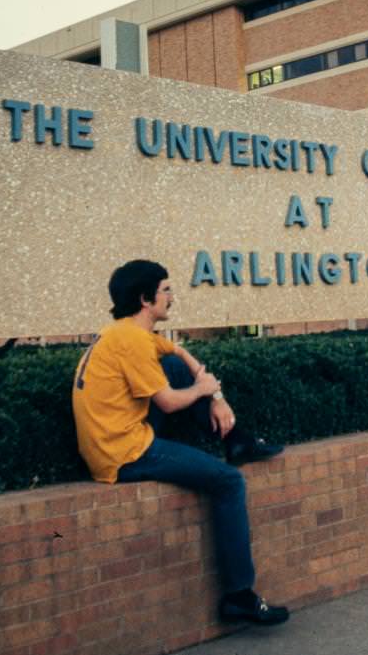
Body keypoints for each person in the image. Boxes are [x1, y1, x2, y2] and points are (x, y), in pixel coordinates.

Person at [72, 258, 288, 627]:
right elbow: (169, 403)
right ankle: (239, 596)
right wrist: (205, 389)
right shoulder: (132, 343)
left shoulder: (127, 332)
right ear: (146, 299)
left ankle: (236, 440)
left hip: (118, 437)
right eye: (166, 290)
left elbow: (176, 353)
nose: (172, 297)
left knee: (175, 366)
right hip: (123, 453)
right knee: (228, 482)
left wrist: (216, 397)